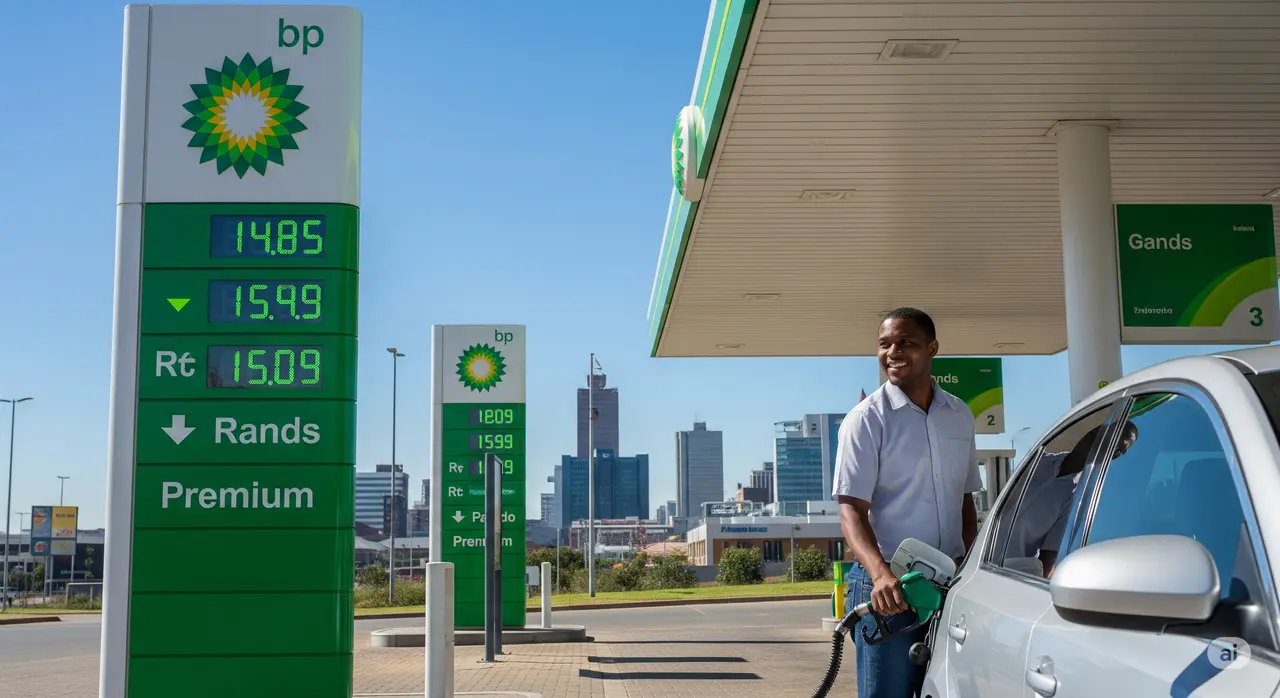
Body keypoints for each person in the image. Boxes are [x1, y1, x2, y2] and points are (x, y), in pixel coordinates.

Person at [833, 307, 983, 698]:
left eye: (906, 342)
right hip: (889, 589)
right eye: (885, 344)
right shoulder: (866, 420)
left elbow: (964, 498)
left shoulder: (960, 415)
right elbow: (850, 509)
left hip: (950, 584)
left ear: (932, 348)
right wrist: (881, 574)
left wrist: (969, 561)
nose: (893, 351)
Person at [1008, 420, 1139, 577]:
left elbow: (1048, 559)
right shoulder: (1035, 463)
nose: (1110, 451)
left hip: (1010, 575)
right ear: (1094, 432)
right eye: (1109, 439)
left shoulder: (1076, 501)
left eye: (1118, 451)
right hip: (975, 561)